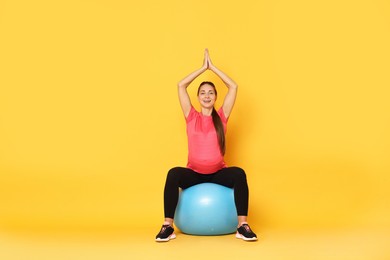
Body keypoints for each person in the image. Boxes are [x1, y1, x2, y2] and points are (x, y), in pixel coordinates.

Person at [155, 49, 257, 242]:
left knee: (239, 174)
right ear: (198, 97)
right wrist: (203, 68)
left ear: (216, 97)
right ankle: (167, 227)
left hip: (218, 174)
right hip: (193, 174)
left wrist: (214, 68)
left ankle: (242, 226)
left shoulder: (222, 116)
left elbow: (233, 87)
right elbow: (180, 85)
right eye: (203, 93)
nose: (207, 96)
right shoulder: (191, 116)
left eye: (211, 92)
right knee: (173, 174)